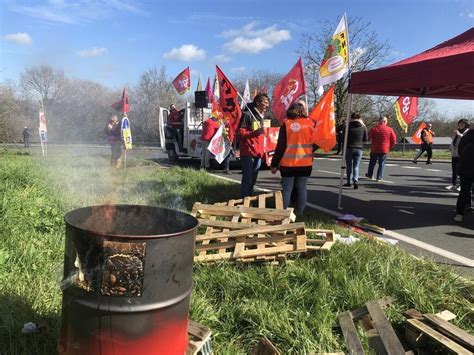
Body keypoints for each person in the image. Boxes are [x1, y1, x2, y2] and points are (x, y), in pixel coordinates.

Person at [271, 102, 315, 215]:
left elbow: (280, 147)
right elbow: (317, 141)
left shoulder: (286, 125)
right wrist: (310, 149)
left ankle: (283, 214)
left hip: (288, 164)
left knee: (286, 190)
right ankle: (300, 214)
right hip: (305, 163)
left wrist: (274, 164)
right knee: (302, 189)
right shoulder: (310, 124)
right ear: (303, 111)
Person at [238, 93, 269, 197]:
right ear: (257, 103)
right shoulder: (247, 114)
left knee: (253, 180)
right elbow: (240, 133)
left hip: (259, 153)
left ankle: (249, 198)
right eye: (265, 102)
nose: (267, 105)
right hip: (248, 152)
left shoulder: (264, 117)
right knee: (247, 178)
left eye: (268, 103)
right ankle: (244, 201)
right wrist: (254, 133)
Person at [365, 116, 397, 182]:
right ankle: (379, 177)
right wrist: (390, 147)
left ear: (379, 121)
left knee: (372, 162)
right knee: (381, 163)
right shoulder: (390, 129)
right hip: (384, 149)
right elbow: (394, 140)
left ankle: (370, 175)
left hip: (374, 148)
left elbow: (368, 138)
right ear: (384, 121)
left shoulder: (374, 129)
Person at [454, 125, 474, 222]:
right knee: (466, 191)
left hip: (464, 167)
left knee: (464, 192)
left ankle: (459, 213)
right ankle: (463, 210)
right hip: (467, 167)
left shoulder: (466, 137)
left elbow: (460, 150)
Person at [344, 113, 368, 189]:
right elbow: (366, 138)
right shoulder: (363, 127)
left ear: (351, 118)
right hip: (359, 148)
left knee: (349, 166)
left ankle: (348, 181)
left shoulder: (348, 126)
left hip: (349, 147)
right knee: (356, 166)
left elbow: (344, 137)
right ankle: (355, 179)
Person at [447, 119, 470, 190]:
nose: (459, 125)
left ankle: (461, 185)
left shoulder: (468, 132)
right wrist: (451, 147)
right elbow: (454, 140)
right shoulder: (457, 131)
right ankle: (453, 184)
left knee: (462, 170)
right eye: (459, 123)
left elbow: (466, 140)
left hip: (462, 154)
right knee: (454, 170)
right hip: (455, 153)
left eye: (461, 124)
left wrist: (459, 135)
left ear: (465, 124)